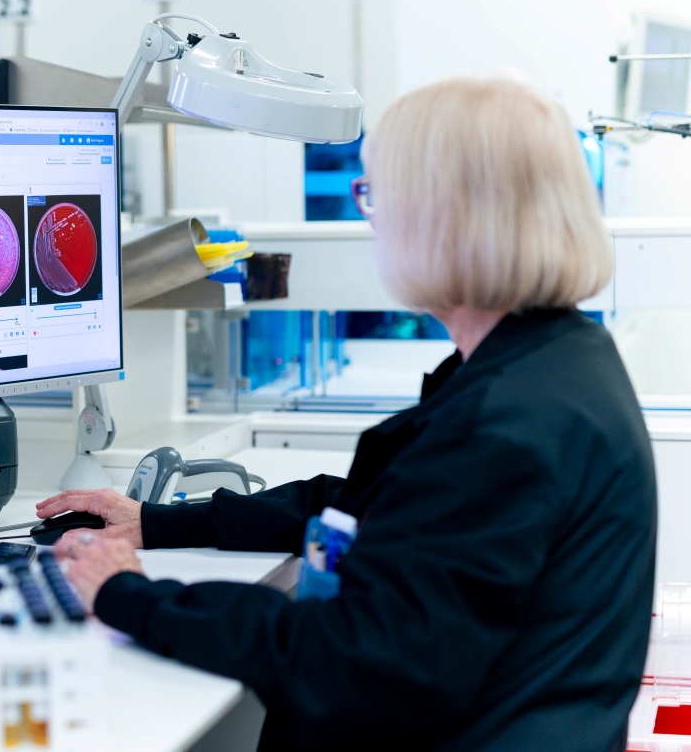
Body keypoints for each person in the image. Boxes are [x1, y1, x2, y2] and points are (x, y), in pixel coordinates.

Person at [39, 74, 656, 752]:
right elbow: (376, 506)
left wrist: (130, 596)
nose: (372, 219)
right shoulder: (554, 361)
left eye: (377, 194)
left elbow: (357, 663)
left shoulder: (506, 422)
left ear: (446, 216)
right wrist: (157, 523)